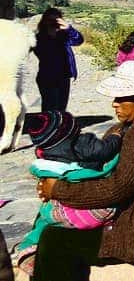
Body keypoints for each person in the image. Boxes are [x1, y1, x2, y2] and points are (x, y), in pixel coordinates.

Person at [31, 61, 134, 281]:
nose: (114, 105)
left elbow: (116, 189)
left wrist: (57, 189)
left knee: (53, 240)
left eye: (120, 98)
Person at [13, 111, 122, 276]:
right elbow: (104, 150)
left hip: (59, 202)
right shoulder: (81, 144)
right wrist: (115, 137)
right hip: (83, 202)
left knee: (43, 219)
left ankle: (30, 248)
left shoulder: (45, 153)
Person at [32, 8, 84, 112]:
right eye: (50, 20)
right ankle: (48, 127)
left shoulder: (64, 36)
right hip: (47, 77)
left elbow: (79, 40)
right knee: (49, 107)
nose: (53, 22)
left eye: (56, 19)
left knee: (61, 107)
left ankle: (59, 127)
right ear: (44, 21)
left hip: (64, 76)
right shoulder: (39, 38)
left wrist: (69, 28)